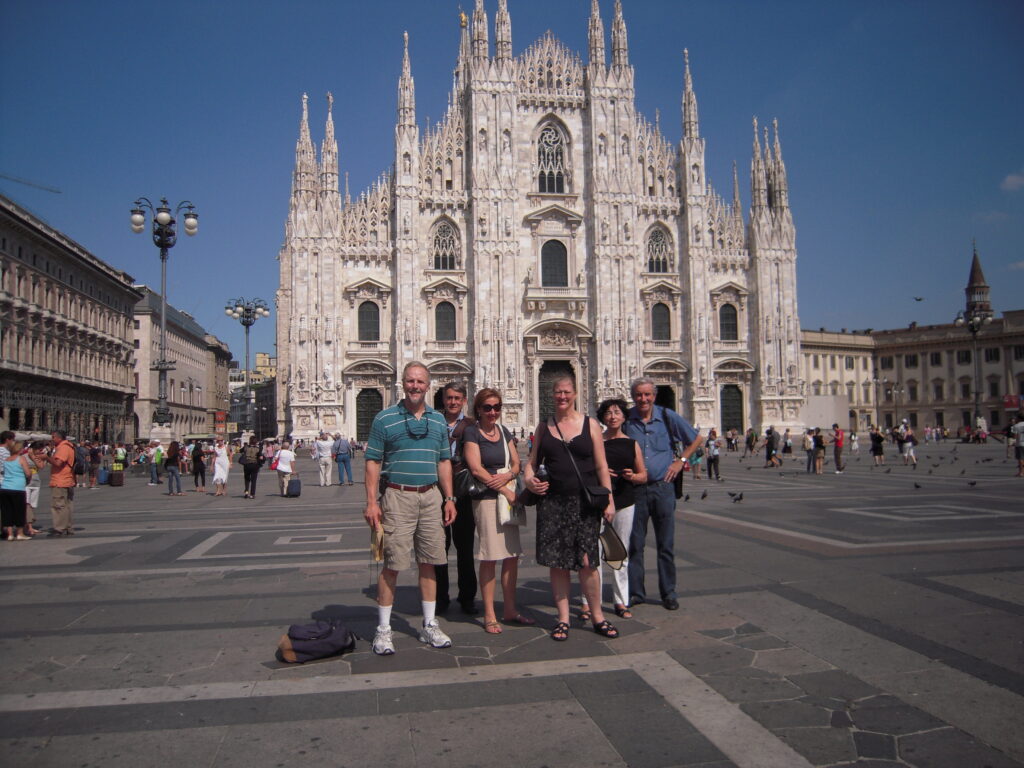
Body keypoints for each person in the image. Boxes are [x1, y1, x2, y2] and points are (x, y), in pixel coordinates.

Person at [363, 361, 456, 656]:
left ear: (429, 386)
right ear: (402, 383)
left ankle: (430, 625)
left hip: (430, 497)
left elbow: (444, 461)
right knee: (392, 563)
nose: (415, 386)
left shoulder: (438, 420)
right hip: (397, 497)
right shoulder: (384, 418)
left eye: (420, 382)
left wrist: (449, 497)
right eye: (410, 381)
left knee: (430, 562)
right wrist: (371, 502)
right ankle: (384, 630)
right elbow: (373, 461)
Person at [523, 374, 618, 641]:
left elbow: (601, 466)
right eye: (558, 392)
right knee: (558, 562)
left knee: (588, 562)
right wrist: (529, 479)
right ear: (552, 395)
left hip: (585, 503)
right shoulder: (545, 427)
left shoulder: (591, 425)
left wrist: (608, 499)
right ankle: (563, 618)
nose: (562, 396)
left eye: (567, 392)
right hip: (553, 502)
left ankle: (597, 615)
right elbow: (531, 462)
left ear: (575, 393)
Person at [623, 377, 701, 611]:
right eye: (638, 395)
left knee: (665, 544)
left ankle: (668, 592)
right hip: (636, 490)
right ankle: (636, 592)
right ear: (633, 396)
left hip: (662, 489)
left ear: (654, 396)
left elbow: (696, 438)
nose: (643, 399)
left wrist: (681, 461)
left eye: (647, 394)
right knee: (635, 544)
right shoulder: (626, 420)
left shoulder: (667, 416)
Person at [462, 387, 533, 633]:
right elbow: (476, 468)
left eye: (496, 407)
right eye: (487, 408)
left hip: (507, 501)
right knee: (490, 556)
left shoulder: (503, 431)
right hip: (488, 500)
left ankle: (510, 608)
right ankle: (490, 614)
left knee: (512, 556)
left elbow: (516, 463)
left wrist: (509, 476)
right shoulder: (472, 432)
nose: (493, 412)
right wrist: (505, 488)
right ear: (478, 410)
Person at [581, 398, 647, 620]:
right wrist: (600, 472)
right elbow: (586, 469)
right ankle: (590, 602)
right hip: (599, 502)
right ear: (602, 417)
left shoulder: (632, 444)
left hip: (624, 501)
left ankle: (621, 601)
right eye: (608, 413)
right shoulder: (595, 441)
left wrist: (632, 476)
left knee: (620, 552)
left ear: (624, 416)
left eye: (617, 412)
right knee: (593, 555)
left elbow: (643, 474)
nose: (613, 416)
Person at [434, 381, 478, 616]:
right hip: (436, 491)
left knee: (465, 547)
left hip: (462, 492)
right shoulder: (432, 421)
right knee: (438, 547)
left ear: (463, 400)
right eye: (449, 398)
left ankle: (467, 596)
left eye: (457, 398)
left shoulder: (472, 425)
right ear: (443, 399)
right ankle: (441, 597)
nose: (452, 402)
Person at [1, 441, 39, 540]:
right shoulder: (21, 459)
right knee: (19, 511)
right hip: (17, 488)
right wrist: (28, 480)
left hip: (5, 488)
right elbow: (28, 473)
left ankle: (9, 534)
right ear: (19, 449)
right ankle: (19, 533)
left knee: (7, 511)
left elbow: (5, 473)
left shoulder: (6, 460)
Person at [44, 430, 76, 536]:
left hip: (60, 480)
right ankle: (68, 526)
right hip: (67, 479)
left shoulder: (63, 448)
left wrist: (47, 458)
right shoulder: (68, 446)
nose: (52, 439)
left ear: (59, 438)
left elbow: (58, 463)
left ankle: (59, 528)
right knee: (67, 505)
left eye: (53, 437)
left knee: (58, 505)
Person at [1010, 412, 1024, 477]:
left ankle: (1021, 472)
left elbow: (1014, 437)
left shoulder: (1015, 426)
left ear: (1019, 418)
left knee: (1021, 459)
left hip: (1020, 444)